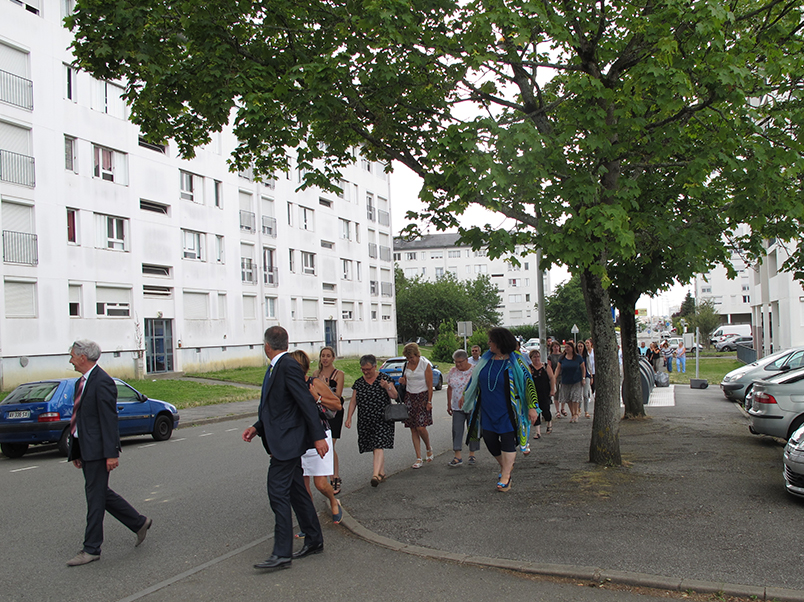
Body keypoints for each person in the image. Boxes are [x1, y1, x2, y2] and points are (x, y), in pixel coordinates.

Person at [243, 326, 328, 571]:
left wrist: (319, 437)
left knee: (277, 493)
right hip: (283, 441)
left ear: (266, 345)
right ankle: (314, 540)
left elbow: (305, 402)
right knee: (296, 493)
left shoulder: (287, 366)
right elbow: (279, 407)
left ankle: (281, 554)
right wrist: (257, 427)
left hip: (287, 444)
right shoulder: (275, 367)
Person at [65, 340, 152, 567]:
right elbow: (82, 420)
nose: (70, 359)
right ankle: (139, 522)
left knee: (95, 498)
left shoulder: (102, 382)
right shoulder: (81, 383)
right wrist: (76, 450)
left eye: (73, 355)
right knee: (100, 493)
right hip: (86, 449)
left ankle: (91, 549)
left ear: (83, 357)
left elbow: (109, 419)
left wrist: (112, 453)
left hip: (98, 452)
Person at [462, 327, 539, 492]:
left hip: (508, 410)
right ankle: (507, 466)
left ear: (500, 342)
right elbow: (474, 379)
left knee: (507, 440)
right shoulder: (486, 359)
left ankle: (506, 476)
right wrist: (466, 394)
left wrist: (532, 407)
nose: (488, 343)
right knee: (489, 440)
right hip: (487, 409)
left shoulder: (515, 360)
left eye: (491, 340)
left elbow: (528, 383)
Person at [289, 350, 342, 526]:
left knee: (320, 484)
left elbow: (337, 404)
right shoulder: (288, 386)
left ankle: (333, 501)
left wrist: (317, 398)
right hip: (298, 439)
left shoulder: (314, 383)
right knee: (303, 488)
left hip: (319, 436)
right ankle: (310, 523)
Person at [344, 355, 397, 486]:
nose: (366, 372)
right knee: (375, 446)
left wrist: (387, 387)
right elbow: (353, 401)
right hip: (365, 419)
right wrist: (349, 417)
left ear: (375, 367)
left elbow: (394, 395)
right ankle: (382, 473)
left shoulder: (384, 379)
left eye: (368, 369)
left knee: (378, 444)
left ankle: (375, 475)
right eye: (363, 369)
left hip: (383, 418)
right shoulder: (359, 383)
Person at [312, 347, 345, 495]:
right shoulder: (315, 374)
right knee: (324, 445)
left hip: (334, 412)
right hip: (320, 411)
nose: (325, 358)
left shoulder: (339, 374)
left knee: (330, 444)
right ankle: (325, 476)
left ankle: (335, 477)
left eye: (328, 356)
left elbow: (338, 396)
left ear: (333, 358)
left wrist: (325, 387)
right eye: (322, 356)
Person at [398, 342, 434, 469]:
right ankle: (418, 457)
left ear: (417, 354)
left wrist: (429, 401)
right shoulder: (406, 365)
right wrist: (402, 381)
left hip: (422, 397)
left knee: (421, 427)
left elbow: (430, 385)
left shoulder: (425, 365)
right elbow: (406, 381)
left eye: (411, 357)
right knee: (413, 428)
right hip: (409, 397)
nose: (410, 360)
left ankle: (428, 447)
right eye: (408, 358)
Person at [446, 349, 478, 466]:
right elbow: (449, 387)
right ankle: (457, 455)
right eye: (456, 362)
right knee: (456, 429)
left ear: (466, 359)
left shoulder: (474, 370)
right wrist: (449, 404)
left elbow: (478, 387)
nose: (458, 364)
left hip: (471, 406)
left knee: (472, 429)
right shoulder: (453, 371)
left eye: (460, 362)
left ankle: (472, 454)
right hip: (456, 407)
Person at [554, 341, 586, 423]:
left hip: (576, 380)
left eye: (568, 347)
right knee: (568, 399)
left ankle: (576, 414)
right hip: (565, 381)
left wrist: (583, 378)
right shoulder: (562, 358)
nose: (566, 349)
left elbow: (583, 368)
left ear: (572, 348)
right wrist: (554, 377)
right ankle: (572, 414)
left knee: (575, 397)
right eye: (566, 347)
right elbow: (558, 368)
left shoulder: (578, 357)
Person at [528, 349, 555, 437]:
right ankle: (537, 432)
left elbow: (552, 378)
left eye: (538, 356)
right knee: (535, 411)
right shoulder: (529, 368)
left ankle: (549, 423)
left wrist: (552, 389)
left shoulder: (545, 366)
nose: (536, 359)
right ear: (531, 358)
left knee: (545, 409)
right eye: (534, 357)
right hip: (534, 393)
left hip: (545, 392)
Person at [547, 341, 565, 418]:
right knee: (556, 393)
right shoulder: (550, 356)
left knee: (563, 392)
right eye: (554, 347)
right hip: (555, 376)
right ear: (552, 348)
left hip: (563, 375)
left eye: (557, 346)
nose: (556, 348)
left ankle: (563, 408)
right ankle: (557, 411)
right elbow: (549, 367)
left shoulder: (562, 356)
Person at [577, 341, 593, 418]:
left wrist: (591, 376)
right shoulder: (575, 357)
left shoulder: (586, 356)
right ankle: (579, 409)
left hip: (586, 376)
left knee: (585, 394)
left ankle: (586, 411)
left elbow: (589, 366)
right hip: (577, 376)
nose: (580, 348)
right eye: (579, 346)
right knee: (579, 394)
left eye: (581, 346)